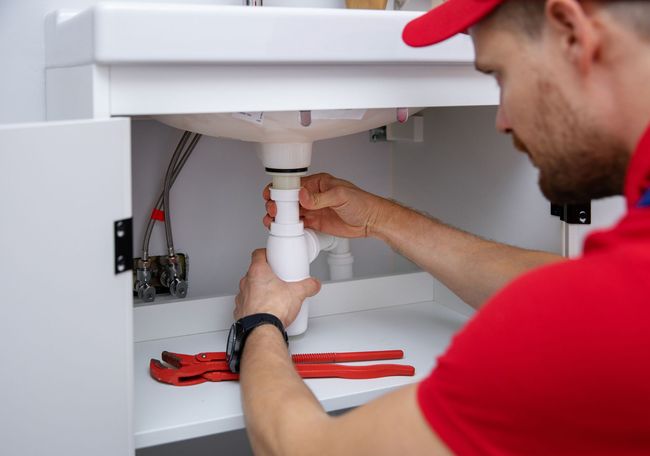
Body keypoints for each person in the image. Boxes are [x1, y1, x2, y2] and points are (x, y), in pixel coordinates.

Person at [232, 0, 650, 454]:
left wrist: (260, 322)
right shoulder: (625, 287)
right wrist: (380, 218)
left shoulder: (614, 316)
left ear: (571, 32)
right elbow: (575, 295)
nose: (501, 120)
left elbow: (308, 449)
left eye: (501, 75)